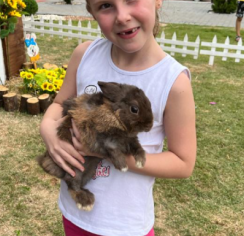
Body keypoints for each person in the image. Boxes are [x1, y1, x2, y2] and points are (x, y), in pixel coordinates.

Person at [39, 0, 197, 235]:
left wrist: (106, 151)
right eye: (105, 5)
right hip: (74, 212)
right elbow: (60, 103)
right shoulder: (85, 55)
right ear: (91, 12)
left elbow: (183, 163)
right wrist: (47, 129)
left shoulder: (173, 82)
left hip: (126, 225)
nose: (122, 16)